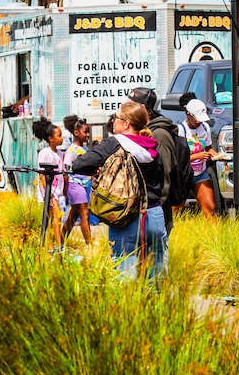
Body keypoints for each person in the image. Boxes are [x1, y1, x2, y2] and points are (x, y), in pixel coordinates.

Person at [70, 101, 167, 279]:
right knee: (156, 281)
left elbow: (79, 164)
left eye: (116, 118)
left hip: (125, 217)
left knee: (125, 278)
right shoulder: (152, 146)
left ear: (127, 124)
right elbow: (161, 180)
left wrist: (97, 170)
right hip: (154, 215)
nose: (113, 121)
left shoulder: (114, 144)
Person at [126, 87, 185, 233]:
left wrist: (153, 210)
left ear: (142, 108)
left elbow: (165, 175)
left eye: (129, 106)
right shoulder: (142, 131)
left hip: (154, 217)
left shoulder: (159, 134)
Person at [180, 95, 218, 218]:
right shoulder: (181, 130)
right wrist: (198, 156)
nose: (199, 122)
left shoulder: (205, 127)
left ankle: (215, 235)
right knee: (175, 210)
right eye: (197, 119)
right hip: (183, 175)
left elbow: (208, 148)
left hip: (200, 173)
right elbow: (179, 159)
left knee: (210, 208)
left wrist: (217, 155)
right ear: (188, 115)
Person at [32, 118, 66, 249]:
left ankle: (51, 245)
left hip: (57, 191)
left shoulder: (60, 153)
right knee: (56, 218)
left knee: (53, 219)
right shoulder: (44, 153)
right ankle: (59, 246)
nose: (62, 138)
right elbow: (42, 176)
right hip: (48, 191)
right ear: (50, 138)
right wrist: (49, 194)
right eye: (59, 135)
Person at [61, 115, 93, 245]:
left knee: (73, 216)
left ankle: (59, 241)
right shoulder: (72, 151)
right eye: (85, 132)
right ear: (76, 133)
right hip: (75, 185)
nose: (87, 135)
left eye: (88, 133)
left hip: (83, 185)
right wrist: (65, 191)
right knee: (84, 214)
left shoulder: (84, 149)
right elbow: (66, 172)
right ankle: (89, 245)